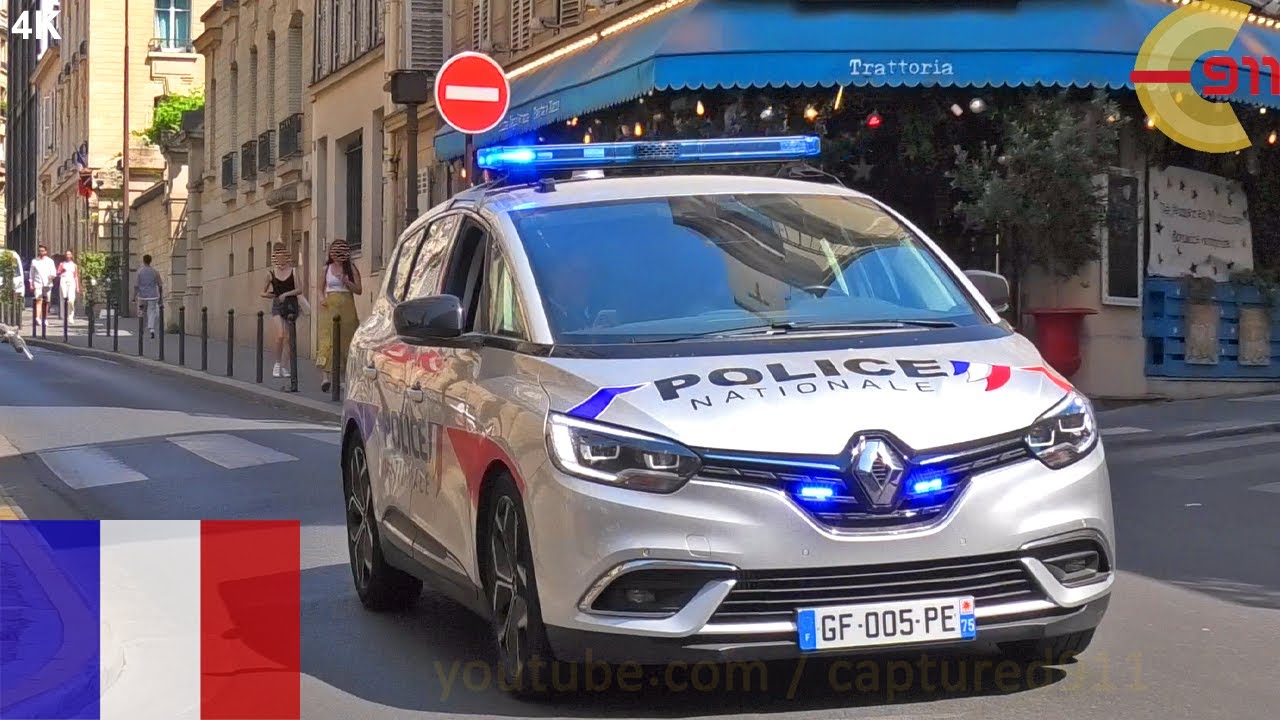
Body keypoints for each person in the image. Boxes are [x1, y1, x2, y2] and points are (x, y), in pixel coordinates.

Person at [316, 239, 361, 394]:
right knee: (327, 339)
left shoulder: (351, 269)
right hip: (330, 306)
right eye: (334, 251)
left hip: (347, 305)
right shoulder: (326, 269)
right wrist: (322, 299)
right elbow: (319, 288)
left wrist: (347, 281)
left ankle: (343, 378)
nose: (337, 255)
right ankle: (325, 378)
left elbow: (358, 290)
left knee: (345, 340)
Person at [260, 242, 304, 378]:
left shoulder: (294, 271)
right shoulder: (270, 273)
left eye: (283, 255)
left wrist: (286, 294)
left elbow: (300, 289)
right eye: (277, 255)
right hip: (278, 305)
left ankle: (284, 366)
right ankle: (277, 364)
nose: (280, 258)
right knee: (280, 334)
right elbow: (262, 292)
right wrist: (271, 295)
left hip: (291, 304)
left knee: (289, 338)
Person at [133, 254, 163, 339]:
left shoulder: (139, 272)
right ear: (151, 261)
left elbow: (136, 285)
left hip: (142, 296)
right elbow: (160, 285)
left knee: (142, 312)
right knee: (152, 312)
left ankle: (141, 329)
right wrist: (160, 297)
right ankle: (151, 329)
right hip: (153, 295)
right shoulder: (155, 271)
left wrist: (134, 297)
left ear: (143, 261)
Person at [29, 245, 56, 327]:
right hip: (38, 283)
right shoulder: (34, 261)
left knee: (46, 302)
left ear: (46, 252)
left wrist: (52, 277)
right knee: (38, 300)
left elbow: (54, 272)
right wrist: (31, 283)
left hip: (47, 284)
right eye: (40, 251)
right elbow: (31, 274)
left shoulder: (50, 261)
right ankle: (37, 317)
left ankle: (45, 319)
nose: (41, 252)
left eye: (43, 251)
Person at [58, 250, 80, 323]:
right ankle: (64, 315)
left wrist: (77, 287)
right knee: (64, 298)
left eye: (69, 254)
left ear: (71, 256)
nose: (68, 256)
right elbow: (57, 273)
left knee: (71, 300)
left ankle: (70, 316)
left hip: (71, 281)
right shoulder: (62, 264)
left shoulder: (74, 265)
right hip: (63, 280)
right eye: (66, 254)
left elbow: (76, 276)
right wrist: (61, 271)